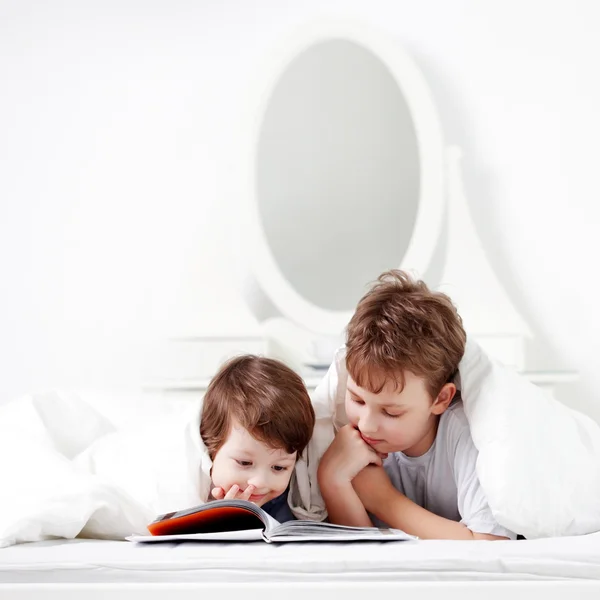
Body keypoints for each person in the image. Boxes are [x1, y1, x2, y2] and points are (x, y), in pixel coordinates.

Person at [317, 269, 516, 540]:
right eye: (357, 399)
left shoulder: (466, 432)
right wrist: (332, 480)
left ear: (440, 399)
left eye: (391, 412)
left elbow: (489, 545)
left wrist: (382, 499)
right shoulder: (350, 440)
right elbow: (361, 552)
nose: (366, 424)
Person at [200, 355, 315, 523]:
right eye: (245, 463)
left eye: (279, 467)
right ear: (211, 446)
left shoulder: (280, 501)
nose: (260, 482)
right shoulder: (189, 490)